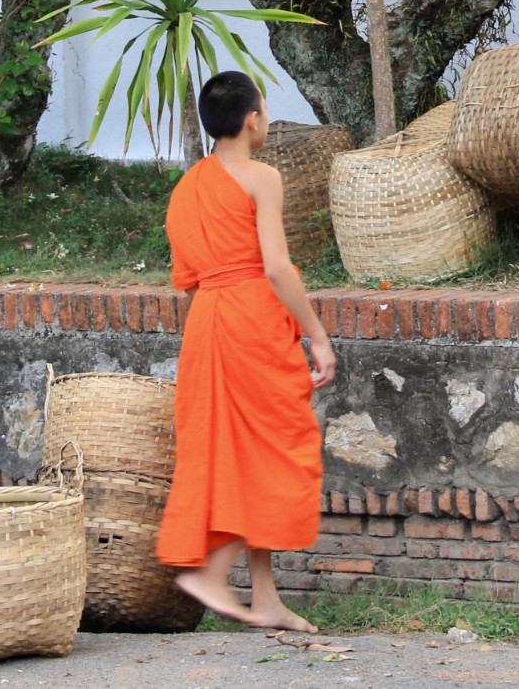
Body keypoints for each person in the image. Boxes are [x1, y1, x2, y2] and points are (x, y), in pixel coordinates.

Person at [156, 71, 337, 631]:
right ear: (253, 118)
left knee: (232, 451)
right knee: (278, 446)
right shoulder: (262, 177)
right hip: (252, 319)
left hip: (208, 323)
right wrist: (318, 336)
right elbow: (278, 268)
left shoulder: (188, 187)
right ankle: (212, 570)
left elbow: (187, 280)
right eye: (264, 107)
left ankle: (264, 596)